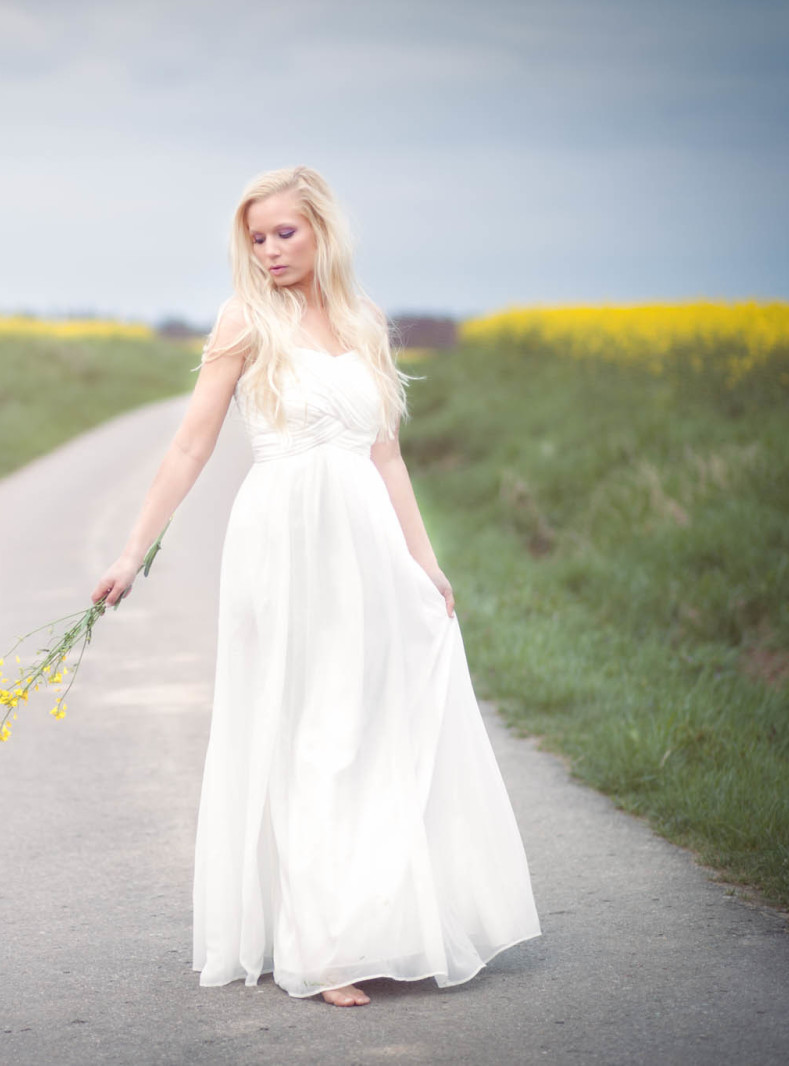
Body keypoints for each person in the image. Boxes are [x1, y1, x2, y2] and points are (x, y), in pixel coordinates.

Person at [91, 165, 541, 1007]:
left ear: (323, 231)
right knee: (311, 729)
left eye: (284, 233)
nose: (268, 251)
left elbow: (388, 456)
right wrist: (130, 551)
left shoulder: (368, 322)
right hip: (283, 545)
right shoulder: (244, 321)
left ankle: (378, 917)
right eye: (256, 238)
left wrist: (426, 561)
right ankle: (320, 946)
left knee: (371, 723)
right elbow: (190, 447)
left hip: (365, 542)